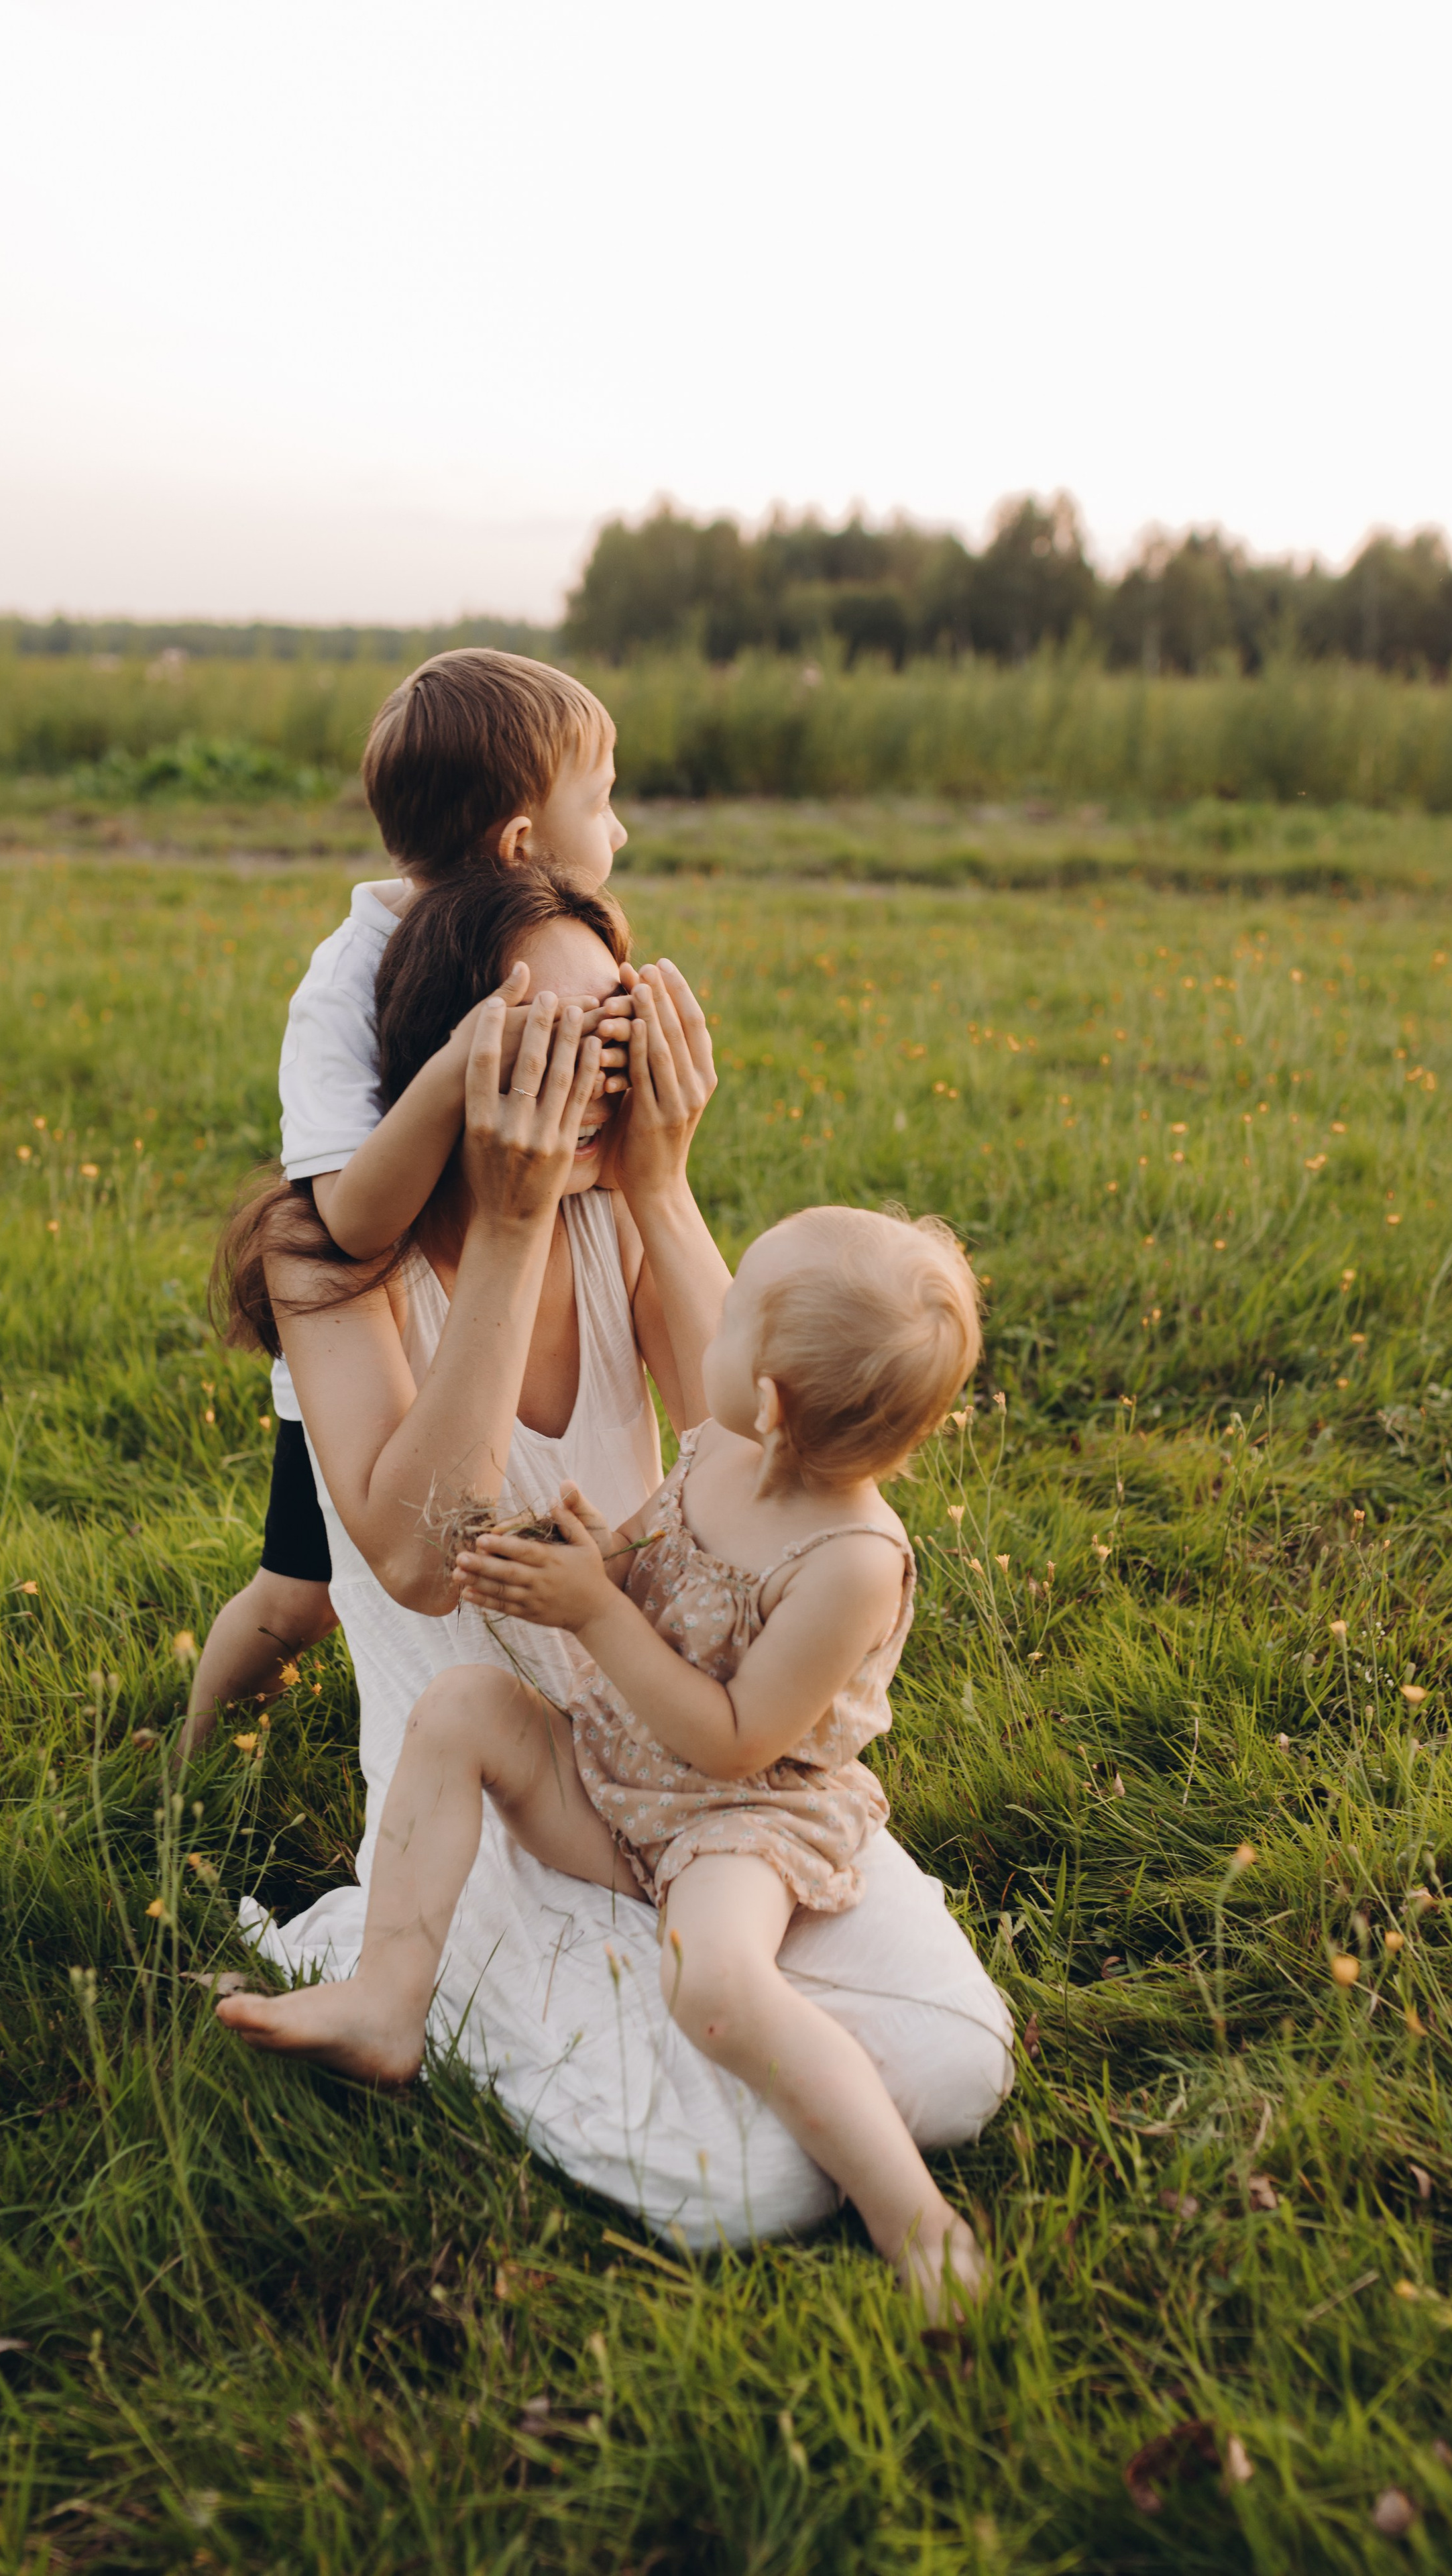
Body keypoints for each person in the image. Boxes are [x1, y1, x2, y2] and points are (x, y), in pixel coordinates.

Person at [210, 865, 1015, 2251]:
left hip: (689, 1754)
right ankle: (425, 1979)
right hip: (491, 1780)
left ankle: (763, 2046)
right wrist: (512, 1221)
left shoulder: (613, 1206)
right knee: (739, 2187)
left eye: (620, 1032)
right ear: (452, 1056)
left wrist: (658, 1180)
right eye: (561, 1040)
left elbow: (752, 1436)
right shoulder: (325, 1258)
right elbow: (422, 1556)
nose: (603, 1074)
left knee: (955, 2063)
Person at [223, 1204, 987, 2315]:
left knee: (714, 1983)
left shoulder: (854, 1561)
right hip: (621, 1780)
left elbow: (736, 1740)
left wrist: (592, 1615)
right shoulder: (727, 1450)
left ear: (767, 1402)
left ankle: (910, 2213)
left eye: (730, 1329)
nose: (702, 1330)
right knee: (461, 1707)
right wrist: (597, 1557)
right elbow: (660, 1548)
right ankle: (386, 2000)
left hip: (740, 1824)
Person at [185, 648, 632, 1740]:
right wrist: (453, 1079)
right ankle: (193, 1748)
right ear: (521, 842)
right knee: (305, 1592)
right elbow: (350, 1219)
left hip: (488, 1295)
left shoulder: (549, 945)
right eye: (605, 802)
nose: (620, 834)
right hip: (372, 1318)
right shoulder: (347, 978)